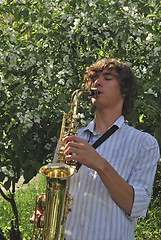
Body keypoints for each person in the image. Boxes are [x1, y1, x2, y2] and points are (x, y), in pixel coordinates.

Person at [55, 58, 160, 240]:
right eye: (94, 78)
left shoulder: (144, 143)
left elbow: (135, 206)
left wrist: (100, 164)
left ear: (124, 91)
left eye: (107, 77)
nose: (97, 82)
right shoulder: (70, 138)